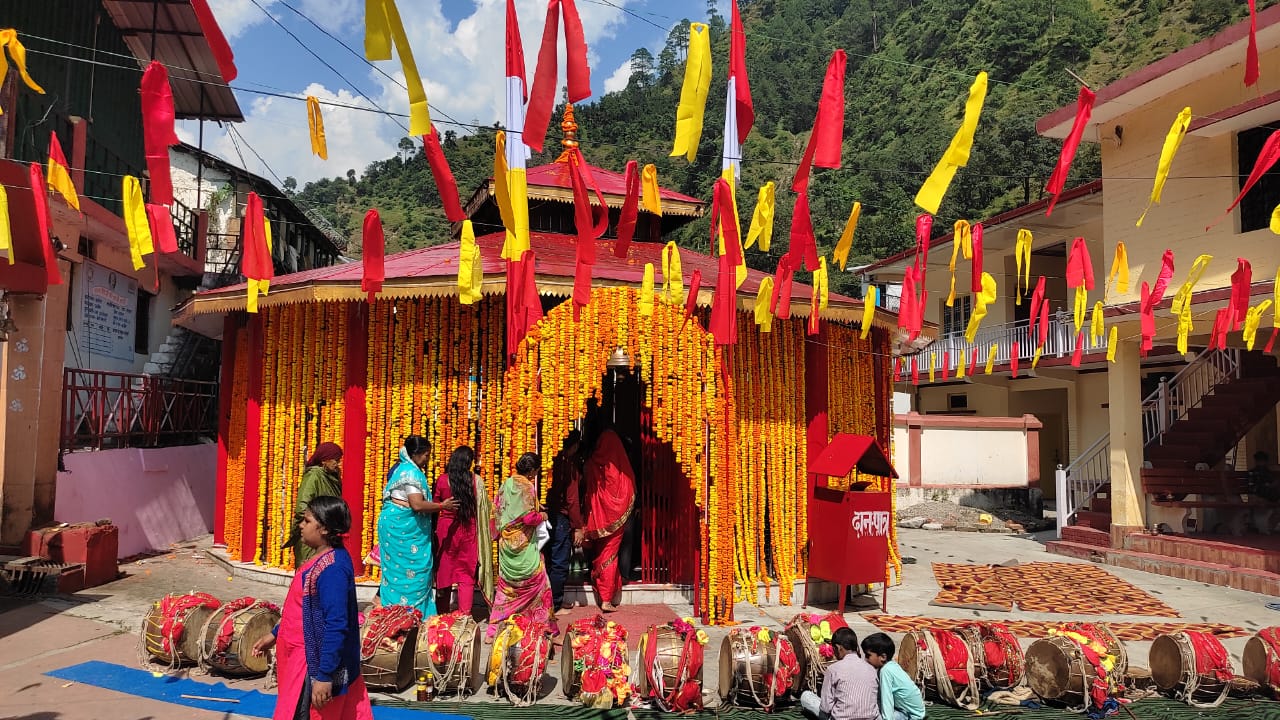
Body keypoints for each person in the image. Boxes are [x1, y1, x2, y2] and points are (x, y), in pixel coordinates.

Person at [253, 495, 372, 720]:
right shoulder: (320, 558)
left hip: (311, 663)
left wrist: (324, 676)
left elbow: (336, 624)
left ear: (324, 529)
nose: (301, 525)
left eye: (307, 521)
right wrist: (275, 634)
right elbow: (302, 610)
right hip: (298, 656)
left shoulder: (332, 569)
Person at [377, 436, 458, 616]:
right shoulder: (411, 473)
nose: (428, 459)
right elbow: (417, 504)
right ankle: (407, 614)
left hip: (397, 526)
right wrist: (442, 506)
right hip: (402, 529)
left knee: (400, 571)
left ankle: (394, 612)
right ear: (416, 454)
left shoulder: (403, 469)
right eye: (426, 455)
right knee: (412, 571)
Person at [487, 452, 556, 639]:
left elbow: (498, 510)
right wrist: (542, 515)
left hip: (507, 545)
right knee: (540, 582)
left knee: (506, 588)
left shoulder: (506, 483)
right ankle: (542, 627)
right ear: (532, 472)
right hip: (524, 547)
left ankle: (493, 630)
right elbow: (528, 517)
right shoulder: (526, 486)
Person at [433, 445, 493, 614]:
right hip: (469, 529)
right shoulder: (475, 481)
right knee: (466, 573)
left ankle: (442, 614)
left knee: (444, 572)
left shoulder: (443, 480)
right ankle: (464, 615)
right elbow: (484, 507)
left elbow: (435, 504)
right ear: (469, 462)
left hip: (447, 530)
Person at [582, 425, 636, 612]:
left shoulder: (591, 463)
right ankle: (605, 599)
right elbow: (629, 491)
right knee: (610, 555)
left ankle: (605, 592)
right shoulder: (622, 471)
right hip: (615, 518)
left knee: (602, 553)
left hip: (598, 518)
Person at [544, 431, 585, 615]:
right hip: (560, 518)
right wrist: (577, 526)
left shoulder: (548, 461)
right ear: (575, 446)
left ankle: (545, 601)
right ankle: (554, 604)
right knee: (560, 562)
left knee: (547, 560)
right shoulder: (569, 467)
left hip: (544, 516)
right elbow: (573, 500)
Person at [799, 627, 880, 720]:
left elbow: (826, 707)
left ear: (838, 648)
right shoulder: (871, 670)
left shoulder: (833, 669)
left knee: (806, 696)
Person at [289, 442, 343, 568]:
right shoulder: (314, 475)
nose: (338, 464)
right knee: (308, 575)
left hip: (325, 535)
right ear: (325, 460)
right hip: (312, 536)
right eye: (336, 460)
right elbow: (302, 507)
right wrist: (318, 524)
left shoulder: (331, 476)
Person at [861, 632, 926, 720]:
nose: (866, 659)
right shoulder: (891, 666)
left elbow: (887, 700)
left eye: (868, 655)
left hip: (911, 715)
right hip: (910, 710)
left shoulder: (886, 671)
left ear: (883, 657)